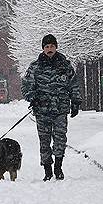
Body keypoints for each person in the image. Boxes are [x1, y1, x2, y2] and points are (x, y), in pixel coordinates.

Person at [21, 34, 80, 181]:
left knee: (60, 139)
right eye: (46, 47)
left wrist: (76, 102)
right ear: (43, 48)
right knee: (44, 140)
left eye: (52, 46)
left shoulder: (65, 65)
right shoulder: (35, 66)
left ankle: (58, 167)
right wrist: (32, 97)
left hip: (61, 108)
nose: (49, 49)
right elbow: (27, 85)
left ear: (56, 47)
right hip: (42, 109)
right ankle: (47, 169)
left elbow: (73, 85)